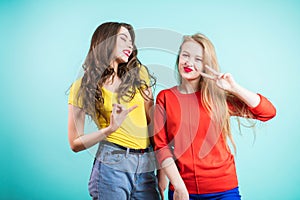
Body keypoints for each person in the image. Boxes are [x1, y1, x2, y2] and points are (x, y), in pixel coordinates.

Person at [154, 33, 276, 200]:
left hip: (223, 189)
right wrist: (179, 186)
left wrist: (234, 88)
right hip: (182, 190)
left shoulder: (217, 97)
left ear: (206, 65)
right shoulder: (165, 97)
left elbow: (267, 112)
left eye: (198, 59)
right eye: (185, 55)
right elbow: (161, 146)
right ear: (178, 57)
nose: (189, 62)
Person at [67, 22, 160, 200]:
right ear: (106, 41)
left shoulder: (139, 74)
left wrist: (162, 166)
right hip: (112, 162)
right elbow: (75, 143)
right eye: (123, 39)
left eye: (131, 41)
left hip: (145, 161)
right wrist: (108, 130)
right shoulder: (82, 86)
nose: (130, 45)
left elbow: (152, 123)